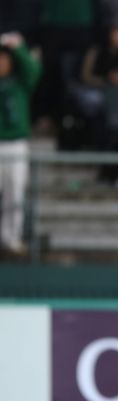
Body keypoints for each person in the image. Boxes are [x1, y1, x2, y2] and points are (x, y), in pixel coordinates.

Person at [0, 32, 41, 256]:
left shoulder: (20, 82)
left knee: (15, 193)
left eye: (5, 59)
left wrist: (17, 48)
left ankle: (10, 238)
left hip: (16, 144)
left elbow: (34, 70)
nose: (2, 63)